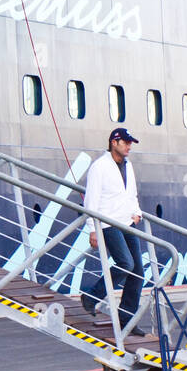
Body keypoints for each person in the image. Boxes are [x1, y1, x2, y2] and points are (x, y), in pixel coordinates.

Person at [80, 127, 146, 329]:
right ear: (113, 142)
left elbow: (131, 194)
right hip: (108, 224)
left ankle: (126, 319)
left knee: (138, 273)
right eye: (125, 142)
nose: (129, 146)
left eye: (130, 143)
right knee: (126, 264)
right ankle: (91, 297)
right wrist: (93, 228)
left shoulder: (128, 166)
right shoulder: (99, 167)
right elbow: (91, 200)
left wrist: (137, 213)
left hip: (127, 223)